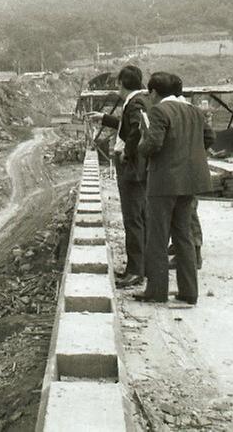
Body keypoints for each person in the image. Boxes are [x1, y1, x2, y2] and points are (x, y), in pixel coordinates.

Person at [136, 72, 214, 304]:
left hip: (164, 182)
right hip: (190, 181)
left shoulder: (159, 111)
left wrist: (141, 144)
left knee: (158, 238)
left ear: (154, 92)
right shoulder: (194, 111)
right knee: (184, 236)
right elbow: (209, 137)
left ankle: (157, 291)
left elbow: (153, 144)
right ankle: (189, 292)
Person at [88, 65, 148, 288]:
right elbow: (128, 126)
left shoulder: (135, 102)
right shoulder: (138, 100)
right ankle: (142, 266)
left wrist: (127, 153)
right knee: (140, 217)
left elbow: (136, 130)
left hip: (130, 167)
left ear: (121, 83)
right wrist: (105, 118)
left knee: (133, 218)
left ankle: (135, 271)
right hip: (136, 166)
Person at [167, 74, 204, 270]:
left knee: (186, 213)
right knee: (188, 211)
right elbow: (209, 137)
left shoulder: (175, 111)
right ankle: (188, 252)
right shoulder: (193, 109)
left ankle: (193, 255)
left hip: (179, 169)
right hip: (191, 168)